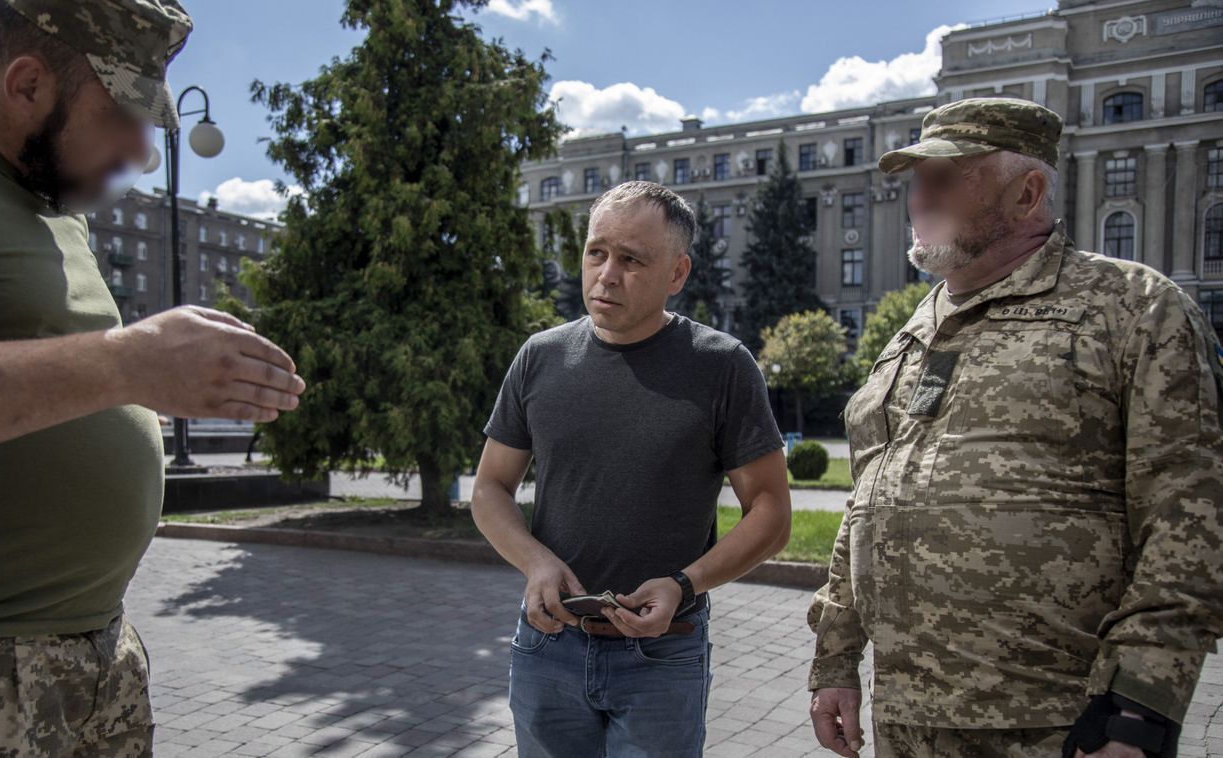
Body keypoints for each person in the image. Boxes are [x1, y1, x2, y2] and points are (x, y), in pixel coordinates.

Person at [0, 1, 305, 754]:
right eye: (121, 117)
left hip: (96, 657)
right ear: (26, 84)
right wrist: (128, 362)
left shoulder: (57, 209)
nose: (142, 153)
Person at [806, 97, 1223, 758]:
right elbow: (867, 502)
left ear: (1026, 193)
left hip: (1058, 721)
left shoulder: (1131, 308)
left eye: (944, 177)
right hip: (907, 720)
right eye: (916, 179)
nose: (919, 197)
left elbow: (1189, 514)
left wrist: (1140, 707)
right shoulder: (912, 332)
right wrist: (834, 660)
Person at [472, 181, 793, 757]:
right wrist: (535, 562)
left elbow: (770, 513)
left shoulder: (722, 366)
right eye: (596, 252)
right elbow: (491, 487)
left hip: (662, 653)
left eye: (631, 260)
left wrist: (683, 584)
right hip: (548, 644)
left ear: (677, 273)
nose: (607, 275)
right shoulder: (540, 356)